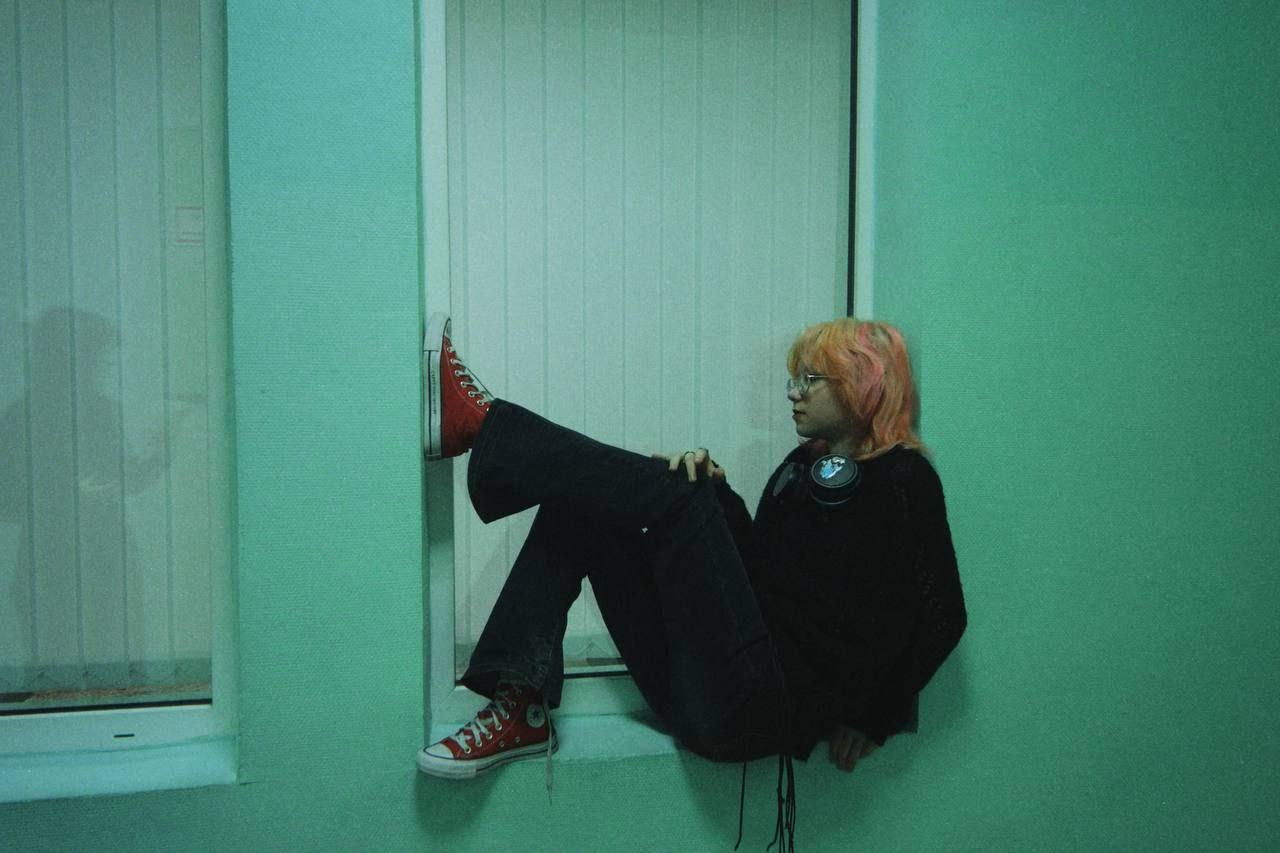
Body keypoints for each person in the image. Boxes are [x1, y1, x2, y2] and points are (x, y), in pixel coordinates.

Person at [416, 313, 966, 850]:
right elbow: (761, 579)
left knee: (682, 492)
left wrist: (874, 718)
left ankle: (482, 424)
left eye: (810, 379)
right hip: (698, 690)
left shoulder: (904, 479)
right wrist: (720, 498)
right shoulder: (798, 468)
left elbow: (942, 615)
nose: (793, 392)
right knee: (585, 502)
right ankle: (519, 705)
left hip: (757, 710)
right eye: (793, 379)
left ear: (863, 382)